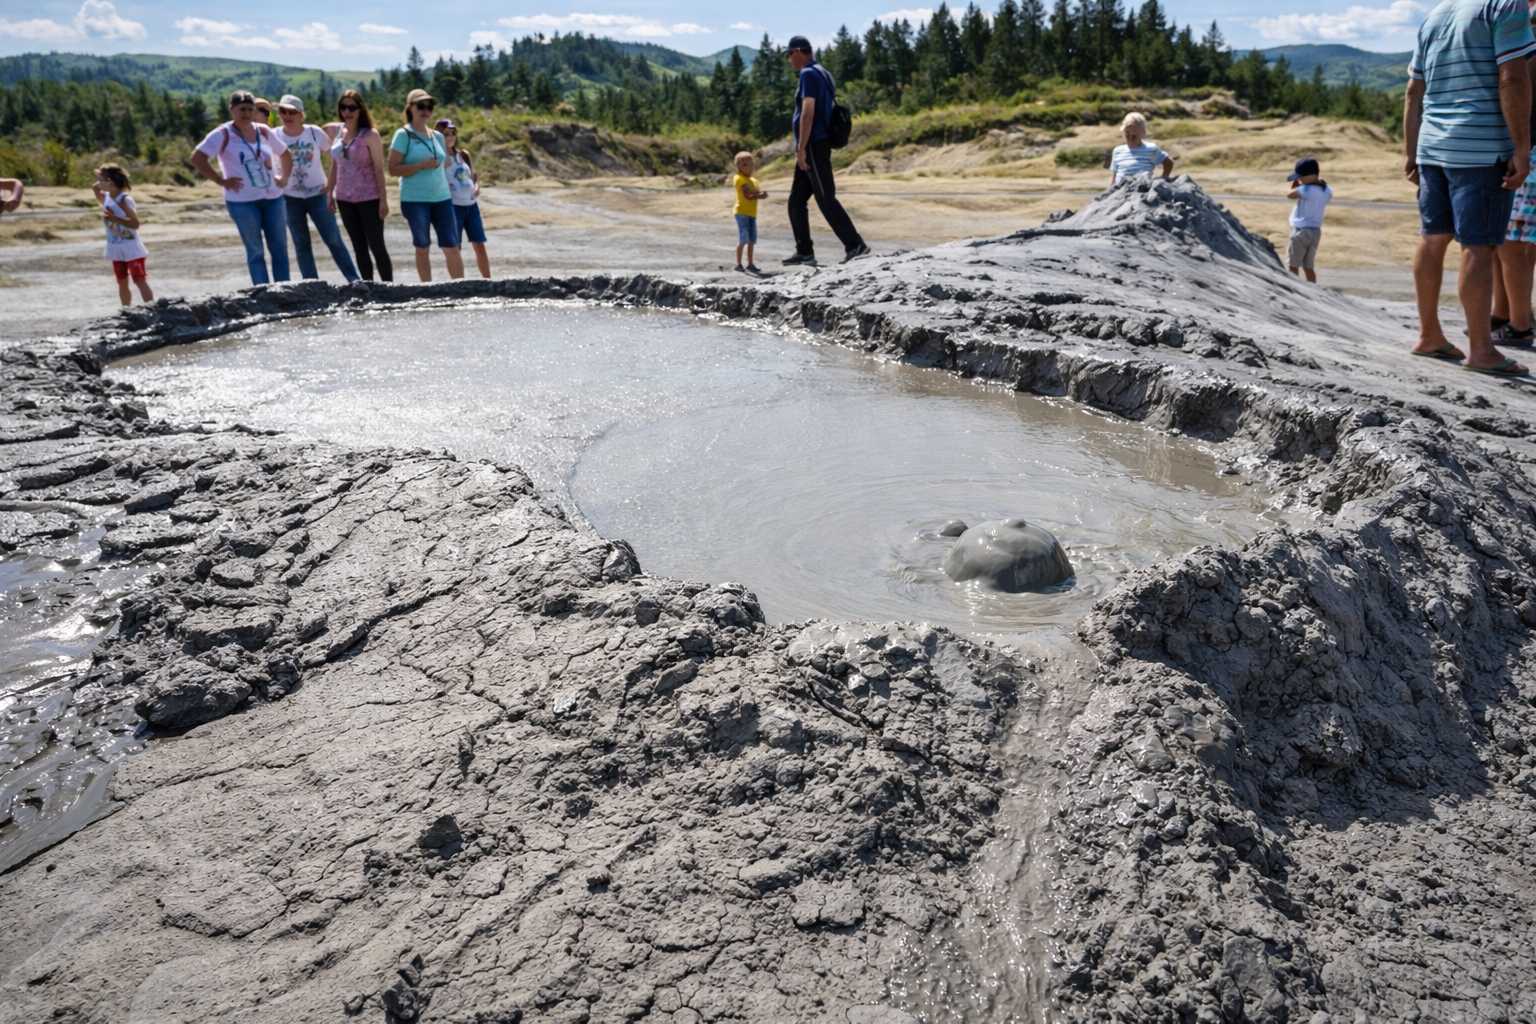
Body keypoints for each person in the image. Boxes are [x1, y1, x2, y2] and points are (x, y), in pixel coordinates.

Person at [1405, 0, 1534, 376]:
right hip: (1481, 147)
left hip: (1433, 146)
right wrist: (1522, 150)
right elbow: (1512, 78)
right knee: (1478, 245)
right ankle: (1482, 351)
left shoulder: (1437, 12)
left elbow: (1414, 91)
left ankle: (1429, 336)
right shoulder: (1505, 7)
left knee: (1433, 237)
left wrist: (1410, 151)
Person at [191, 89, 293, 285]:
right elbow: (198, 157)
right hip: (242, 202)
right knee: (255, 250)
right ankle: (263, 293)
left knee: (279, 248)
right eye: (242, 109)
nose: (246, 114)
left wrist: (284, 177)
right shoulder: (222, 134)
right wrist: (220, 181)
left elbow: (285, 154)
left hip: (273, 198)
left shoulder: (263, 131)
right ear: (231, 110)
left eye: (250, 109)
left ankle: (284, 291)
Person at [782, 35, 868, 267]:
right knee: (796, 200)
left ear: (799, 51)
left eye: (789, 54)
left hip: (813, 143)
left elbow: (808, 112)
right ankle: (804, 251)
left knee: (825, 197)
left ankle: (854, 243)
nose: (789, 59)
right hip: (815, 142)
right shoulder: (824, 73)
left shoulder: (808, 74)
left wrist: (801, 148)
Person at [276, 94, 359, 283]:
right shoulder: (275, 135)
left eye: (292, 112)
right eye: (283, 111)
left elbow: (335, 154)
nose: (287, 115)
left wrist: (331, 184)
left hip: (318, 194)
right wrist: (275, 177)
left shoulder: (313, 132)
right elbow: (264, 159)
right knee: (301, 244)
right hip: (290, 198)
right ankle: (312, 285)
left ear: (301, 115)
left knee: (334, 240)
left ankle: (354, 281)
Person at [1491, 0, 1536, 349]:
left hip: (1528, 147)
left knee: (1510, 241)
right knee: (1510, 242)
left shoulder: (1526, 24)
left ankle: (1519, 325)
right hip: (1526, 145)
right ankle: (1503, 315)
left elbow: (1518, 81)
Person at [388, 88, 463, 282]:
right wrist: (421, 166)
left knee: (452, 247)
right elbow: (393, 169)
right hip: (415, 200)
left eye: (429, 107)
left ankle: (462, 289)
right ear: (410, 108)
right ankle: (427, 289)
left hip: (442, 198)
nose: (426, 110)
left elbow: (445, 164)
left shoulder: (437, 136)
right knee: (422, 247)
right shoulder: (403, 134)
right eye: (421, 106)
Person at [327, 90, 392, 282]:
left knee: (377, 245)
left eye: (352, 107)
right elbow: (334, 165)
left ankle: (389, 288)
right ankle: (368, 288)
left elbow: (379, 169)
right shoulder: (340, 132)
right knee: (359, 246)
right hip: (345, 199)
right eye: (343, 107)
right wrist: (329, 192)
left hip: (369, 197)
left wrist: (383, 200)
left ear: (360, 108)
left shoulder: (370, 135)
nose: (347, 111)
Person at [92, 163, 152, 306]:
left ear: (110, 182)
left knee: (139, 279)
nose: (98, 183)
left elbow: (135, 224)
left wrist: (116, 219)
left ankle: (152, 309)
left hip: (132, 249)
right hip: (116, 248)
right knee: (121, 281)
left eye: (101, 180)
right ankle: (126, 311)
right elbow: (95, 188)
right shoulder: (106, 198)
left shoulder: (124, 200)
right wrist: (105, 174)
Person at [438, 118, 491, 279]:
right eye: (446, 134)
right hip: (454, 207)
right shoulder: (440, 158)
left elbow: (474, 176)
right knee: (455, 247)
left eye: (453, 133)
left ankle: (488, 281)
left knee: (479, 244)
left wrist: (476, 188)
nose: (451, 137)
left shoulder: (464, 155)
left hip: (471, 205)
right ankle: (458, 282)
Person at [1285, 157, 1332, 284]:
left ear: (1311, 175)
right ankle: (1313, 290)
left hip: (1300, 231)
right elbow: (1322, 185)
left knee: (1292, 266)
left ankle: (1293, 288)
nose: (1299, 179)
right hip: (1315, 232)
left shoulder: (1306, 190)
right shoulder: (1327, 189)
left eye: (1301, 176)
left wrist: (1296, 183)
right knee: (1308, 267)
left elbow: (1289, 194)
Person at [1109, 112, 1174, 186]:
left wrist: (1164, 178)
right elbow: (1114, 176)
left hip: (1142, 189)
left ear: (1143, 133)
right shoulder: (1118, 151)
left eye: (1134, 135)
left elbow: (1168, 162)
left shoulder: (1150, 149)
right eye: (1127, 134)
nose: (1130, 137)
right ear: (1123, 133)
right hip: (1121, 189)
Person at [732, 151, 765, 273]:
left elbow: (754, 194)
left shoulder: (754, 181)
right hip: (741, 212)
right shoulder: (739, 178)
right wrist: (759, 196)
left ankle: (750, 263)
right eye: (745, 165)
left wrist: (759, 195)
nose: (749, 167)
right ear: (739, 167)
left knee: (752, 239)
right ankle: (738, 263)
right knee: (743, 238)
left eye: (751, 164)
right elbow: (748, 195)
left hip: (752, 213)